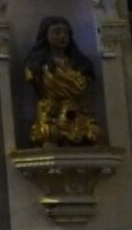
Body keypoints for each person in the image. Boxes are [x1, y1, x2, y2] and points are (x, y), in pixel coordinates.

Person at [23, 15, 103, 146]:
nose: (62, 36)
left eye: (66, 33)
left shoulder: (82, 66)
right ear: (45, 35)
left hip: (78, 115)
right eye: (57, 32)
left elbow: (83, 84)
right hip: (50, 113)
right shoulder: (36, 66)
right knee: (49, 134)